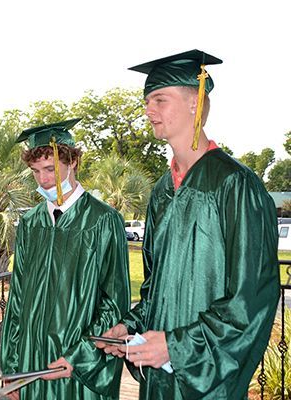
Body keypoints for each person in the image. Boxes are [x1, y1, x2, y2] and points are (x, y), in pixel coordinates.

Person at [97, 50, 280, 399]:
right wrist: (130, 328)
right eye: (147, 100)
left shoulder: (235, 185)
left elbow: (252, 298)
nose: (148, 110)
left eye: (159, 99)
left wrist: (176, 346)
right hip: (160, 379)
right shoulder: (162, 191)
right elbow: (156, 289)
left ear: (195, 103)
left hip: (207, 381)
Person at [0, 119, 131, 399]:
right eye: (35, 171)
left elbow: (114, 300)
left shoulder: (103, 220)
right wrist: (11, 365)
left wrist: (80, 355)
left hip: (77, 365)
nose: (43, 179)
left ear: (72, 162)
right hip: (31, 362)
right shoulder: (31, 223)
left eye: (50, 169)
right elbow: (18, 298)